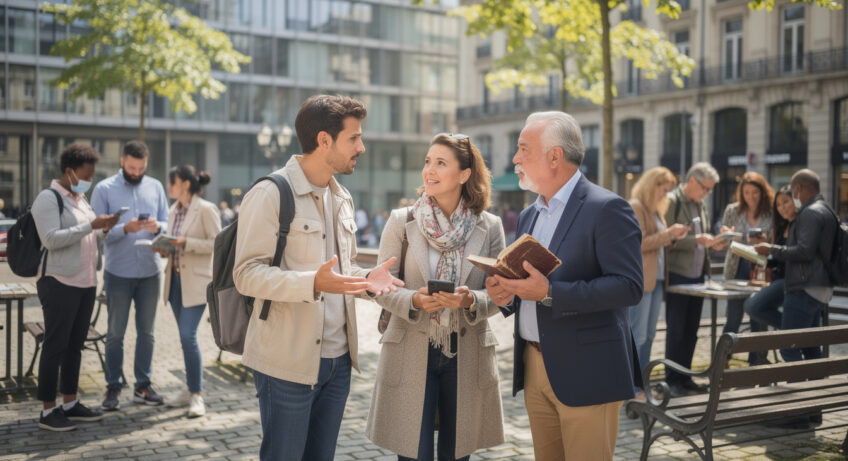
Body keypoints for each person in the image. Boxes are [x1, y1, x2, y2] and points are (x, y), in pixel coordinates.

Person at [232, 95, 403, 461]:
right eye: (354, 138)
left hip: (338, 363)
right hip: (287, 362)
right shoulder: (270, 193)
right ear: (324, 140)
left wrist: (367, 278)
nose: (362, 146)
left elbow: (338, 273)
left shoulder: (342, 199)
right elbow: (246, 274)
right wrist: (311, 283)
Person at [485, 111, 643, 461]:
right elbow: (527, 284)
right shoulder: (530, 214)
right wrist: (505, 295)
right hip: (534, 367)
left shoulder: (608, 208)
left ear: (554, 156)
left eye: (523, 148)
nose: (514, 158)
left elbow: (629, 286)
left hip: (588, 372)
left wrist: (550, 294)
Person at [366, 134, 505, 461]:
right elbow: (380, 286)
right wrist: (414, 300)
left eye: (441, 163)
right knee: (414, 454)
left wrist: (470, 300)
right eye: (427, 161)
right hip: (411, 349)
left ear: (464, 174)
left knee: (457, 455)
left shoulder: (490, 226)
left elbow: (501, 294)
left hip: (467, 353)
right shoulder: (401, 221)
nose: (429, 169)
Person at [31, 143, 119, 431]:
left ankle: (70, 403)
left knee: (74, 347)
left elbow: (88, 238)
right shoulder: (48, 198)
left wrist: (102, 229)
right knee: (55, 346)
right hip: (58, 281)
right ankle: (47, 411)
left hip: (85, 282)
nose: (89, 179)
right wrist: (90, 226)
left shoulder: (81, 199)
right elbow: (51, 239)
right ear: (69, 171)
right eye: (86, 173)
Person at [91, 140, 170, 410]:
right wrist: (125, 229)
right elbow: (95, 232)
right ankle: (112, 387)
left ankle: (143, 386)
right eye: (132, 167)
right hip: (118, 272)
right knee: (115, 333)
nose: (136, 172)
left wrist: (158, 225)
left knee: (147, 333)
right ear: (122, 161)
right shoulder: (104, 189)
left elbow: (167, 222)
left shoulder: (156, 186)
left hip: (150, 271)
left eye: (141, 168)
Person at [155, 166, 221, 418]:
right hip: (174, 284)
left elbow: (218, 243)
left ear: (184, 183)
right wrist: (165, 248)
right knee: (184, 340)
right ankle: (189, 388)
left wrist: (186, 244)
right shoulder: (173, 211)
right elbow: (174, 242)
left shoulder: (206, 209)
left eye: (172, 181)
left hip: (196, 284)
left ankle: (197, 396)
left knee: (187, 336)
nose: (168, 186)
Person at [755, 169, 837, 362]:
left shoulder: (809, 213)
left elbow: (804, 251)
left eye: (792, 192)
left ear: (798, 188)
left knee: (788, 347)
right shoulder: (827, 210)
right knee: (809, 347)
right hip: (819, 287)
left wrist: (771, 249)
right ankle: (816, 388)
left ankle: (802, 390)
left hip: (802, 286)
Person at [663, 162, 728, 397]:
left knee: (692, 330)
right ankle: (672, 380)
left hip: (698, 275)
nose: (707, 193)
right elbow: (665, 239)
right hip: (679, 275)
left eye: (710, 190)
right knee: (677, 330)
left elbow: (702, 237)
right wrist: (696, 241)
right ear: (692, 181)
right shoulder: (672, 201)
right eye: (705, 188)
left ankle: (686, 377)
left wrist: (714, 243)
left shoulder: (700, 205)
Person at [627, 167, 689, 401]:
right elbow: (639, 242)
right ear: (652, 186)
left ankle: (642, 385)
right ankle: (631, 388)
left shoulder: (655, 210)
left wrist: (673, 236)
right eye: (663, 190)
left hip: (657, 279)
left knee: (650, 335)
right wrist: (668, 234)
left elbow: (658, 243)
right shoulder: (636, 206)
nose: (666, 195)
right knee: (638, 335)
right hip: (642, 280)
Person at [719, 172, 774, 365]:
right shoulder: (733, 210)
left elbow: (777, 241)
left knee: (757, 317)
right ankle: (722, 363)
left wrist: (766, 241)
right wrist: (730, 236)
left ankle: (756, 363)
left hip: (760, 268)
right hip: (737, 266)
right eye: (747, 192)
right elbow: (723, 240)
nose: (751, 197)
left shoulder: (771, 211)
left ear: (763, 192)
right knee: (733, 318)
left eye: (755, 192)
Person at [744, 186, 796, 335]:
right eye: (778, 204)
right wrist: (761, 255)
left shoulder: (799, 224)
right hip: (778, 279)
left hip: (791, 281)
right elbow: (777, 259)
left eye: (785, 202)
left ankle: (790, 330)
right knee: (752, 306)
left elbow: (795, 254)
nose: (782, 208)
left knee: (752, 305)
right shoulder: (782, 226)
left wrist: (770, 249)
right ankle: (790, 330)